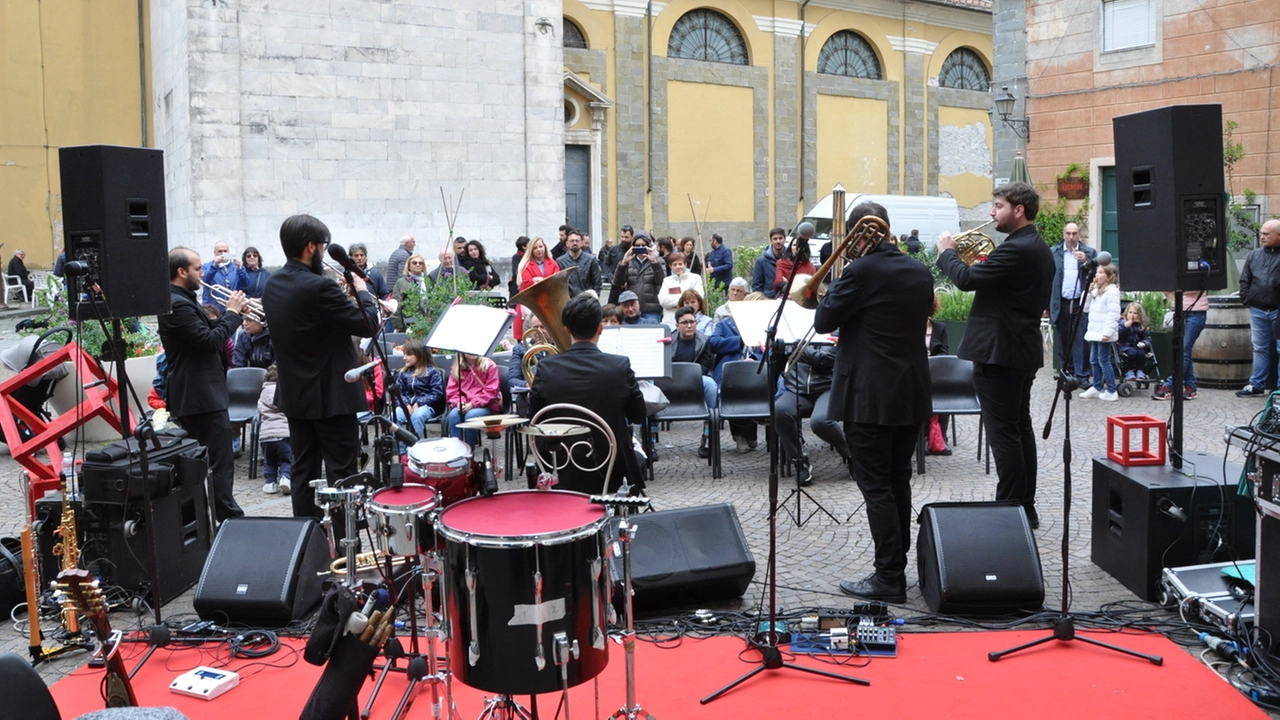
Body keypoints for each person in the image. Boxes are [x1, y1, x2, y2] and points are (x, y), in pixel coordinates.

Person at [813, 201, 932, 603]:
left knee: (876, 486)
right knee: (898, 481)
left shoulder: (859, 271)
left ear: (857, 233)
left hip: (869, 395)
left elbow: (824, 319)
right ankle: (895, 570)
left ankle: (887, 578)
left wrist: (838, 277)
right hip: (910, 391)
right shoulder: (919, 270)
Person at [936, 182, 1055, 529]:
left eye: (998, 206)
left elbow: (966, 278)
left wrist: (947, 252)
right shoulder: (1036, 247)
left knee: (1004, 435)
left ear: (1019, 210)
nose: (991, 212)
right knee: (1019, 430)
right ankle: (1024, 507)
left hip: (1000, 354)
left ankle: (1009, 510)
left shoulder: (1017, 249)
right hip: (1018, 351)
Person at [262, 214, 379, 523]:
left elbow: (310, 324)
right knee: (342, 473)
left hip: (296, 395)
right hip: (332, 396)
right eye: (323, 248)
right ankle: (343, 545)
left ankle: (307, 538)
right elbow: (368, 325)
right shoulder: (319, 288)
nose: (325, 254)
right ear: (311, 247)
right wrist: (360, 290)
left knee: (304, 470)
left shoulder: (273, 283)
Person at [158, 247, 246, 524]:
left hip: (199, 395)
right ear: (181, 272)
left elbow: (206, 337)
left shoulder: (182, 300)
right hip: (199, 396)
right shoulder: (178, 304)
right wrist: (231, 314)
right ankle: (227, 518)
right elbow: (209, 342)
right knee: (218, 460)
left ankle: (210, 517)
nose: (203, 272)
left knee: (209, 461)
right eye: (197, 268)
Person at [529, 294, 648, 493]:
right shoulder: (619, 366)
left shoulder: (545, 368)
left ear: (567, 330)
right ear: (600, 329)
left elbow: (533, 419)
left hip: (560, 467)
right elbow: (638, 414)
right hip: (611, 470)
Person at [775, 342, 849, 486]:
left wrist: (799, 346)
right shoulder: (793, 332)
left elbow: (822, 359)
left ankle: (853, 457)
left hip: (828, 389)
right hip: (797, 390)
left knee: (821, 421)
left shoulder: (832, 330)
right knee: (780, 410)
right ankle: (800, 462)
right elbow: (780, 367)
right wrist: (777, 351)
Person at [1048, 223, 1096, 384]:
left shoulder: (1089, 252)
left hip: (1080, 302)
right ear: (1063, 234)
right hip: (1060, 302)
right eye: (1068, 233)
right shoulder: (1054, 252)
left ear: (1079, 235)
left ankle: (1082, 375)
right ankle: (1066, 372)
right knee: (1063, 338)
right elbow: (1046, 279)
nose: (1071, 237)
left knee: (1080, 338)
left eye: (1074, 233)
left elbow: (1099, 273)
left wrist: (1087, 262)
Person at [1237, 219, 1280, 397]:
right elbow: (1245, 279)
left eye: (1266, 234)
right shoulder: (1254, 255)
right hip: (1258, 309)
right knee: (1259, 348)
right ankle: (1257, 384)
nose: (1261, 237)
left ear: (1278, 236)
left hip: (1278, 310)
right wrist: (1247, 300)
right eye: (1261, 233)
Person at [671, 306, 718, 459]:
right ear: (677, 325)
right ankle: (649, 438)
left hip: (695, 380)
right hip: (671, 381)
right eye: (684, 323)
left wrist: (689, 376)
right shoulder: (668, 340)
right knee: (649, 384)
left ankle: (708, 432)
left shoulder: (704, 341)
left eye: (692, 322)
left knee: (710, 384)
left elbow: (705, 366)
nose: (689, 325)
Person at [1153, 291, 1207, 400]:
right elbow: (1167, 287)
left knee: (1184, 350)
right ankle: (1190, 386)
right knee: (1185, 350)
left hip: (1196, 313)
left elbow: (1193, 287)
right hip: (1178, 312)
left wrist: (1176, 288)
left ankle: (1170, 385)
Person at [1079, 265, 1121, 401]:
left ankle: (1111, 389)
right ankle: (1097, 387)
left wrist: (1108, 332)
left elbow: (1113, 313)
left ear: (1109, 276)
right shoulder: (1096, 291)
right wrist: (1088, 293)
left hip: (1103, 331)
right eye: (1097, 272)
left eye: (1100, 272)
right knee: (1093, 360)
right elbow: (1084, 308)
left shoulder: (1112, 292)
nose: (1096, 275)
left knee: (1103, 360)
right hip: (1095, 330)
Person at [443, 353, 502, 446]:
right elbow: (452, 391)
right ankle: (458, 450)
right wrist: (459, 402)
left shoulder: (489, 366)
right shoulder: (457, 368)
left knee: (471, 416)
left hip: (486, 404)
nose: (471, 352)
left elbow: (491, 391)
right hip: (465, 404)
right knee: (453, 415)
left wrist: (472, 404)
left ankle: (469, 451)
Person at [394, 340, 446, 441]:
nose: (404, 358)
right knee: (394, 417)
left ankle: (413, 449)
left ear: (419, 355)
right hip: (406, 406)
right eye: (404, 354)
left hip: (426, 407)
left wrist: (419, 403)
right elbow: (399, 392)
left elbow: (437, 393)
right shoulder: (403, 373)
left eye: (408, 355)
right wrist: (406, 404)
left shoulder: (432, 372)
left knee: (417, 416)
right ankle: (400, 452)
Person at [612, 233, 665, 323]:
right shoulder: (628, 261)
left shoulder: (658, 260)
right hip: (631, 307)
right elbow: (617, 282)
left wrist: (654, 262)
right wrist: (623, 263)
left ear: (649, 246)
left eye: (643, 245)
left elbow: (661, 281)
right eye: (637, 246)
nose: (640, 247)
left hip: (651, 308)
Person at [257, 365, 293, 495]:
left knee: (269, 461)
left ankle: (270, 483)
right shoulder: (285, 392)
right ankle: (285, 478)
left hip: (266, 436)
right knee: (286, 459)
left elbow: (260, 410)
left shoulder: (262, 394)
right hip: (284, 434)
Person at [515, 237, 560, 337]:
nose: (539, 249)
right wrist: (537, 280)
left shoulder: (553, 263)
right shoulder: (525, 265)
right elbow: (526, 282)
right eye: (535, 248)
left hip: (549, 302)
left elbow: (556, 281)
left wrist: (538, 280)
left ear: (545, 247)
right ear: (531, 250)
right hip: (530, 302)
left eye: (541, 246)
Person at [658, 252, 704, 326]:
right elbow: (663, 300)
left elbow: (699, 297)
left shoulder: (695, 278)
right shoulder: (667, 281)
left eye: (680, 264)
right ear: (670, 266)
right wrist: (685, 299)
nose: (678, 267)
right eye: (675, 265)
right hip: (669, 321)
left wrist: (673, 303)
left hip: (689, 321)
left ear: (685, 264)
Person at [201, 241, 249, 305]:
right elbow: (205, 280)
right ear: (214, 253)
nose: (223, 254)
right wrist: (214, 266)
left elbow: (246, 284)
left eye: (225, 251)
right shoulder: (206, 266)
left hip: (232, 306)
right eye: (220, 251)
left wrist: (240, 269)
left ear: (228, 252)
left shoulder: (236, 267)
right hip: (212, 307)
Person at [557, 229, 602, 297]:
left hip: (587, 301)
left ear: (581, 243)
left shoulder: (591, 260)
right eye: (572, 241)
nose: (575, 243)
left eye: (577, 241)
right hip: (569, 302)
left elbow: (597, 282)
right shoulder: (560, 261)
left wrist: (595, 297)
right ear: (567, 244)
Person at [1118, 303, 1155, 381]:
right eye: (1130, 312)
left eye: (1135, 313)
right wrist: (1126, 326)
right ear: (1126, 313)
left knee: (1141, 353)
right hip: (1125, 346)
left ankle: (1140, 371)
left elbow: (1147, 338)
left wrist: (1145, 343)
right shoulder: (1122, 323)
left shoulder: (1141, 326)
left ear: (1139, 315)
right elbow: (1119, 334)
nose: (1132, 315)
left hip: (1137, 346)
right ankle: (1130, 371)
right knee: (1132, 352)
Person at [392, 254, 429, 331]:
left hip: (426, 322)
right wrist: (398, 326)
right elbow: (396, 306)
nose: (418, 265)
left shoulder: (427, 281)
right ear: (409, 266)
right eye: (414, 263)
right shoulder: (401, 282)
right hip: (409, 324)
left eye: (420, 263)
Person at [751, 228, 787, 298]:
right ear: (771, 240)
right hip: (769, 301)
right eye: (775, 239)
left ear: (785, 239)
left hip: (787, 301)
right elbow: (757, 286)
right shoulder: (761, 261)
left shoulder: (791, 259)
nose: (778, 241)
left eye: (780, 238)